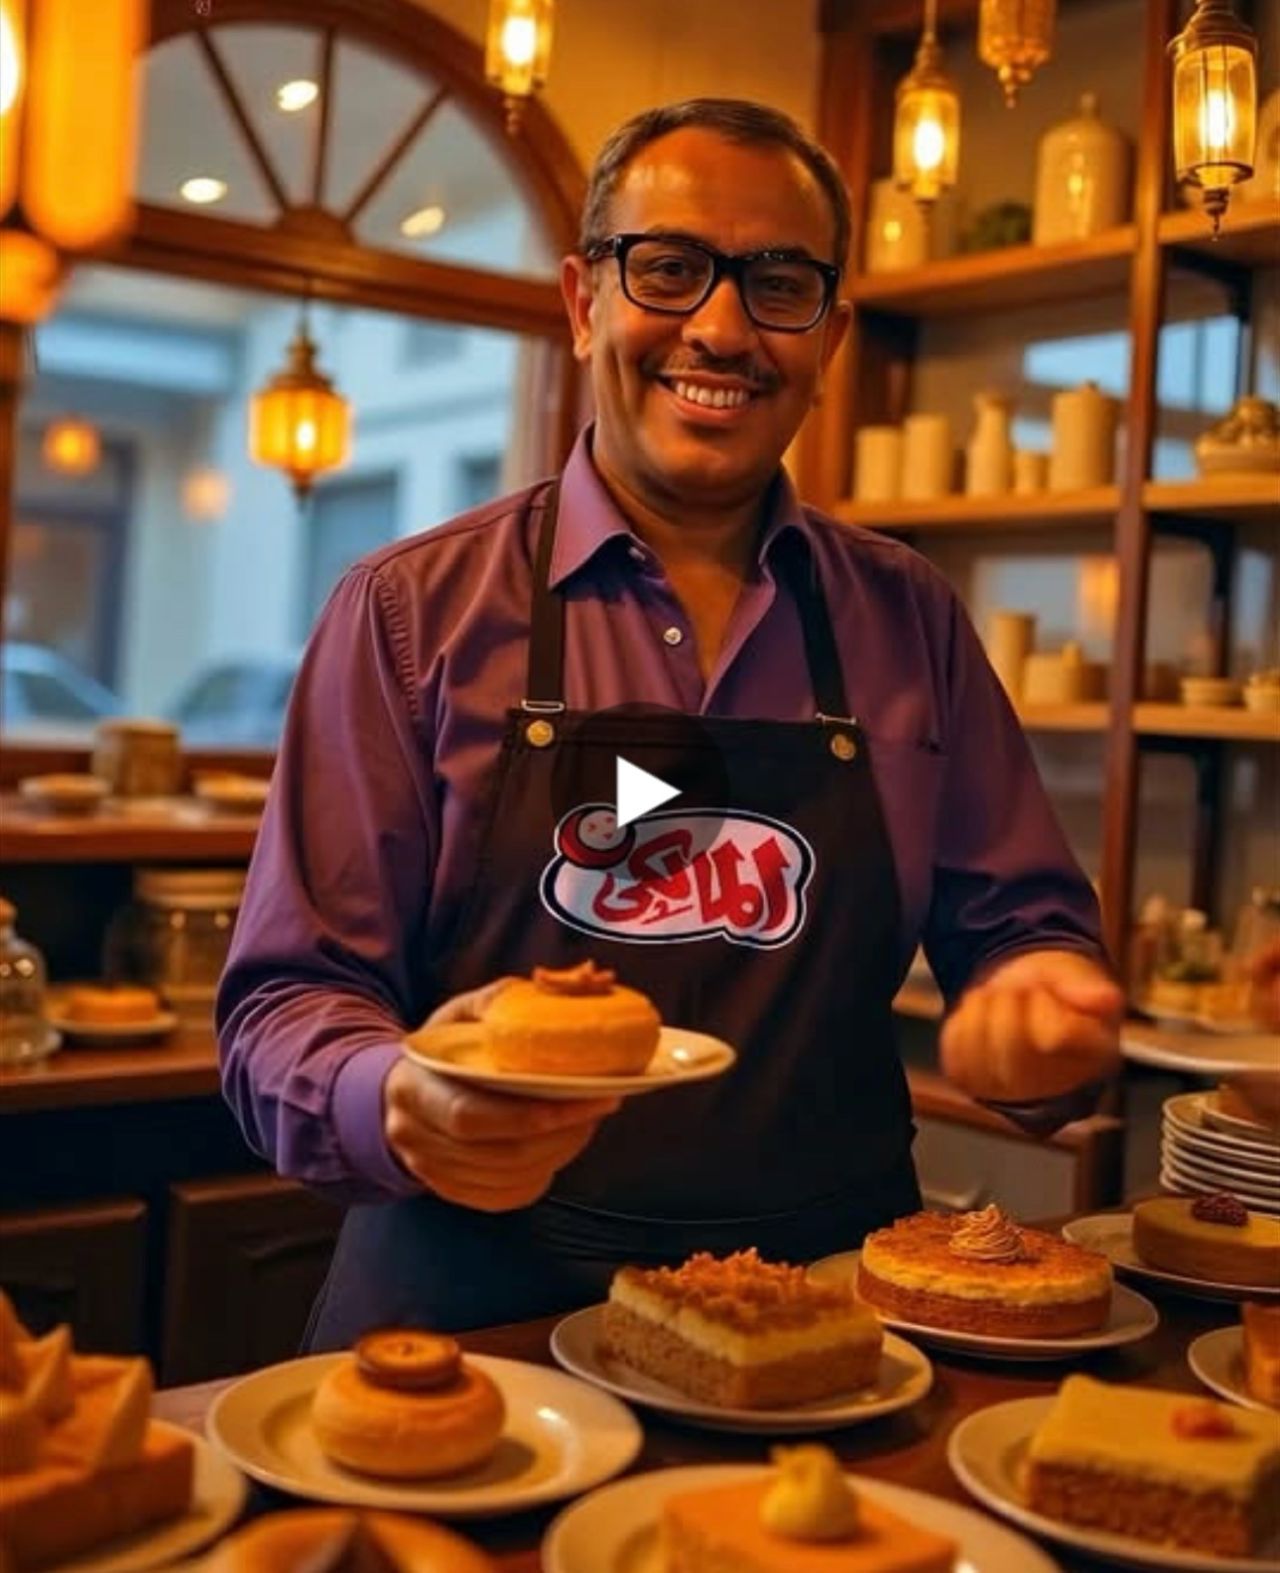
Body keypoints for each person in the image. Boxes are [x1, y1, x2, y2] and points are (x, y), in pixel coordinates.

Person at [217, 98, 1124, 1347]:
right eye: (667, 267)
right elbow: (288, 1003)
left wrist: (1042, 1017)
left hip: (819, 1331)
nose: (721, 328)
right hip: (474, 1333)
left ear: (829, 336)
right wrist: (396, 1099)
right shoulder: (407, 613)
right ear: (583, 300)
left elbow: (1026, 943)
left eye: (778, 284)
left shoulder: (907, 618)